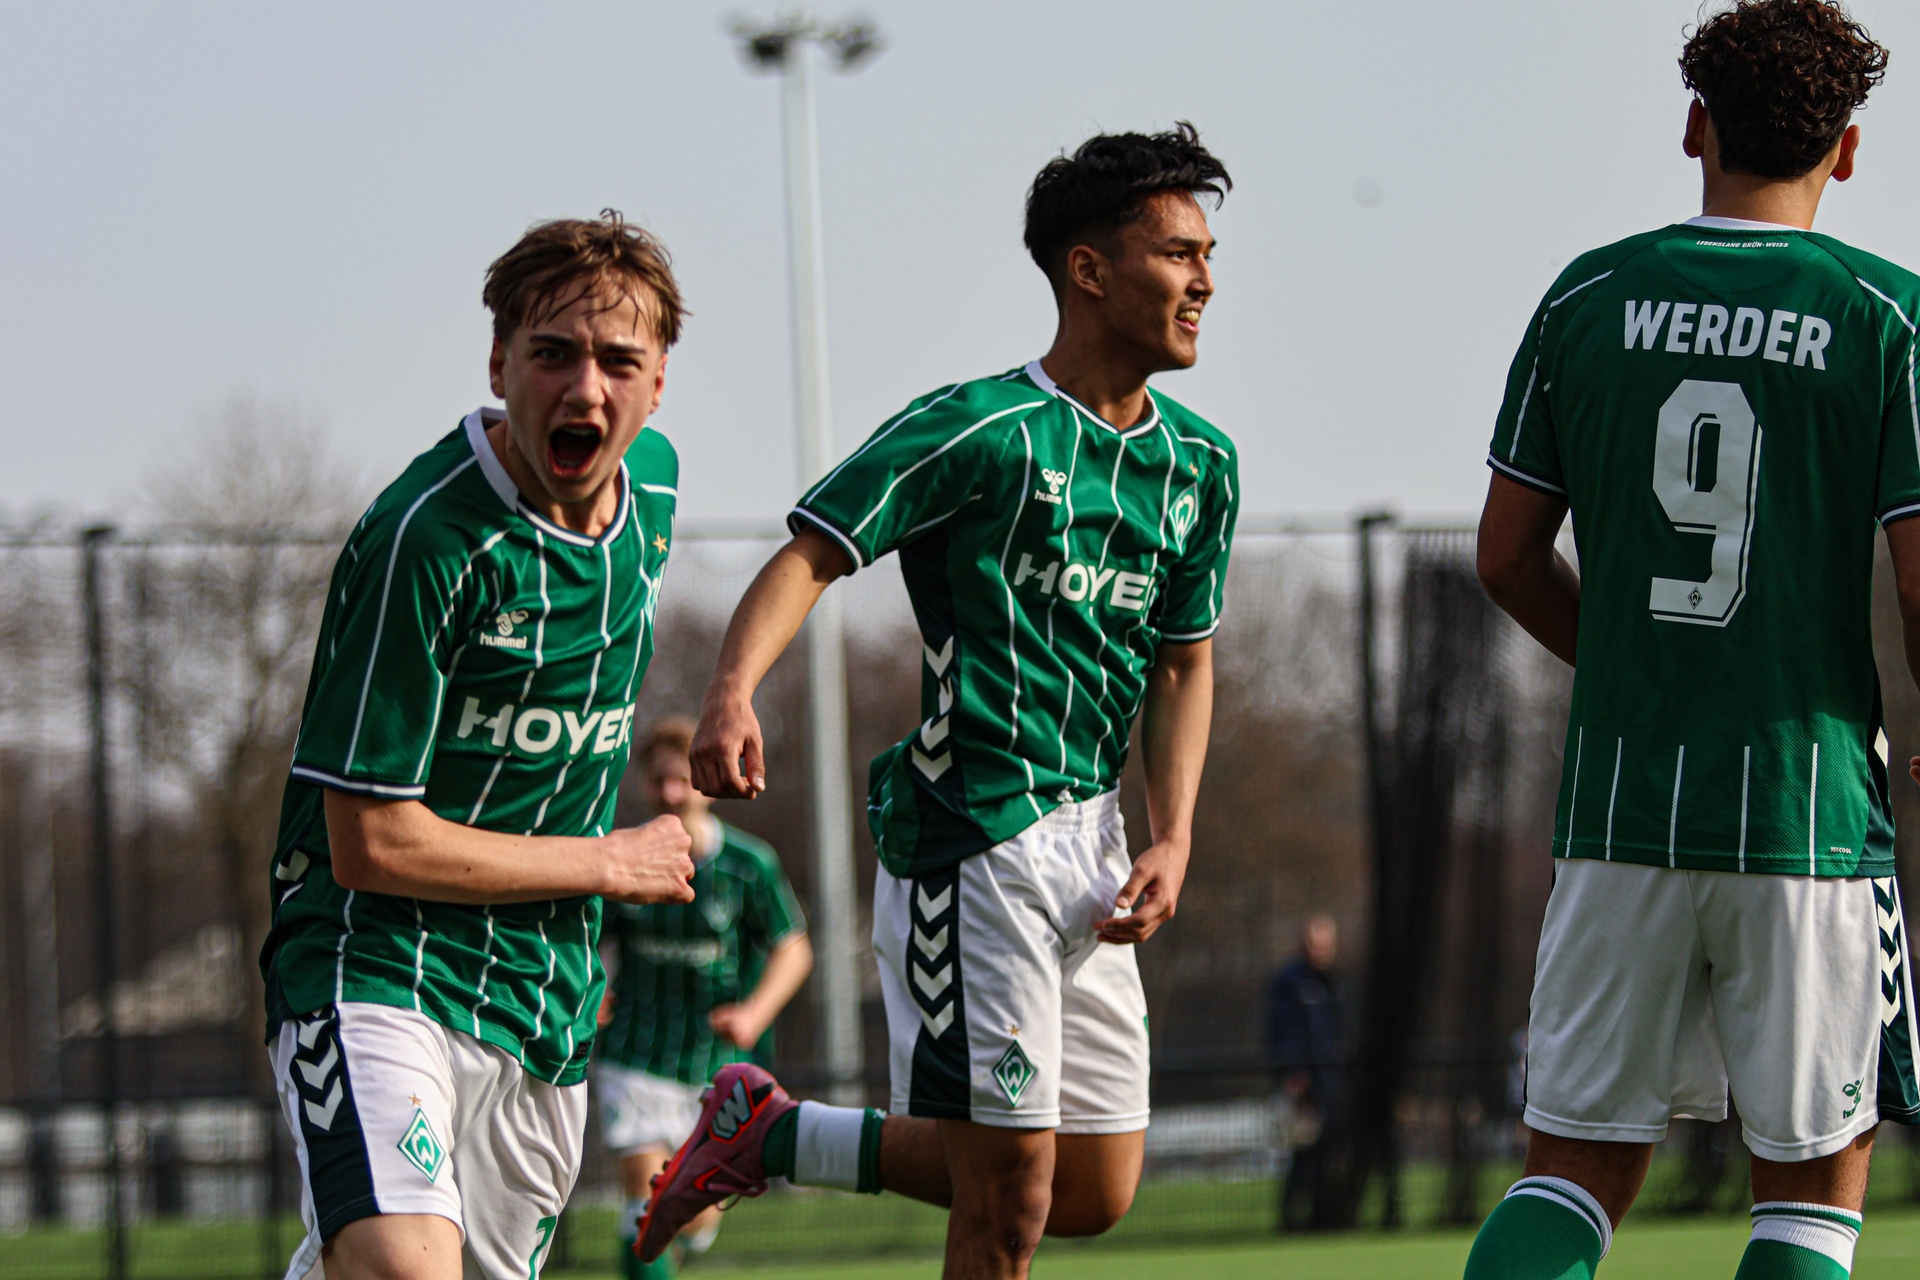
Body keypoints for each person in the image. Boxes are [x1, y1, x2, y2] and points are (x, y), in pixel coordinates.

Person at [637, 123, 1240, 1280]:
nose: (1205, 279)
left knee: (1095, 1190)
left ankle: (771, 1132)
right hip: (971, 839)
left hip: (1095, 851)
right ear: (1089, 268)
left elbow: (1182, 663)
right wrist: (729, 691)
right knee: (1006, 1204)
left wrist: (1174, 835)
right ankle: (769, 1131)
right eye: (1178, 252)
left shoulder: (1202, 465)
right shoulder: (977, 425)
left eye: (1211, 253)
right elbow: (811, 552)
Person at [1468, 4, 1920, 1277]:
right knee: (1814, 1190)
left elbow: (1504, 556)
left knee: (1570, 1173)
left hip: (1619, 806)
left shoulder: (1589, 295)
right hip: (1808, 811)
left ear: (1693, 126)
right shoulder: (1889, 316)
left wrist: (1625, 664)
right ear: (1846, 152)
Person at [258, 213, 700, 1280]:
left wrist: (726, 697)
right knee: (407, 1266)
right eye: (552, 353)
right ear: (500, 361)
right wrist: (608, 859)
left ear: (658, 382)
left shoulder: (658, 492)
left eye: (617, 360)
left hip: (539, 1003)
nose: (584, 387)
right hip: (374, 966)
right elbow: (370, 842)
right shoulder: (427, 538)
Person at [595, 717, 812, 1279]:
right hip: (634, 1057)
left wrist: (754, 1013)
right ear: (645, 782)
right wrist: (591, 990)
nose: (672, 792)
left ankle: (688, 1243)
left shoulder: (748, 864)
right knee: (650, 1204)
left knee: (692, 1216)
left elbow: (793, 949)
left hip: (712, 1069)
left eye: (682, 778)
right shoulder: (624, 857)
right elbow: (587, 939)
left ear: (705, 781)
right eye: (660, 779)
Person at [1263, 914, 1344, 1230]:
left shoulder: (1336, 983)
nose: (1320, 951)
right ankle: (1291, 1218)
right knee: (1302, 1153)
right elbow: (1280, 1031)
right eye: (1314, 944)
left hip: (1331, 1081)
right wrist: (1292, 1074)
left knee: (1330, 1153)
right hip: (1303, 1084)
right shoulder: (1289, 983)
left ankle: (1323, 1217)